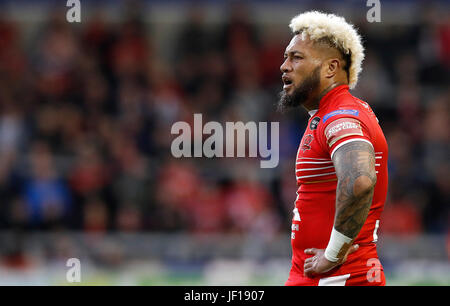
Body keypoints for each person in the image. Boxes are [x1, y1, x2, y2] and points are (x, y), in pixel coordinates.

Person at [278, 11, 388, 286]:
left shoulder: (340, 116)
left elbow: (360, 181)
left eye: (296, 57)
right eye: (286, 57)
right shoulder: (334, 112)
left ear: (330, 68)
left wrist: (334, 253)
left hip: (338, 277)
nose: (284, 66)